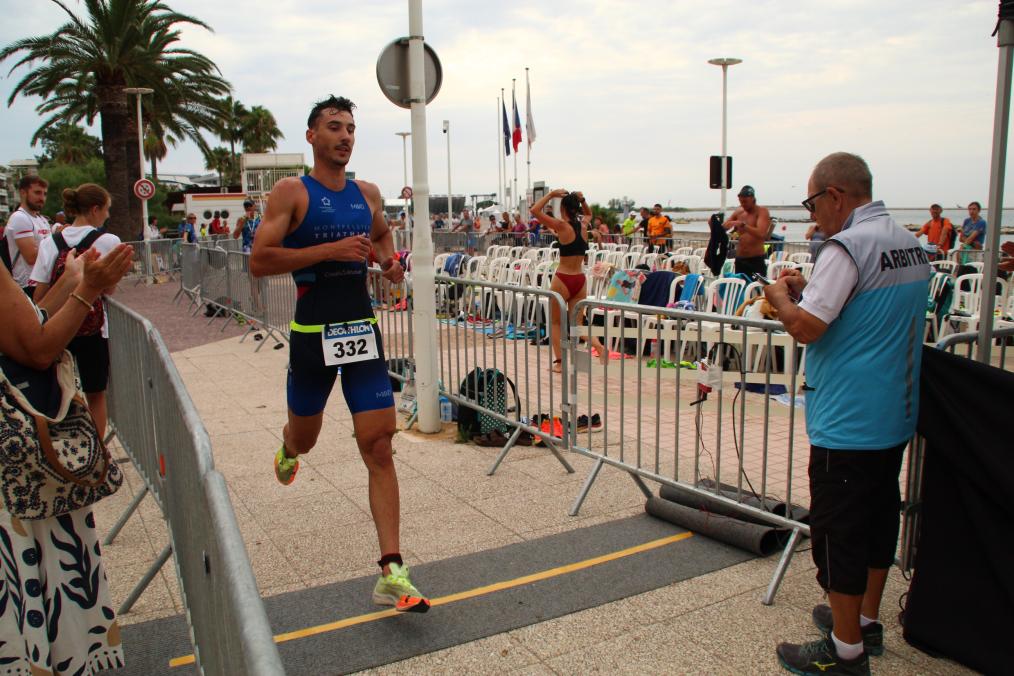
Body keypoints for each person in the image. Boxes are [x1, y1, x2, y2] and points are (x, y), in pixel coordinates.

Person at [249, 95, 429, 613]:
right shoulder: (291, 192)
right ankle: (288, 446)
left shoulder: (366, 194)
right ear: (312, 136)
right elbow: (260, 260)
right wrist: (329, 250)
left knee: (379, 446)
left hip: (361, 333)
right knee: (305, 438)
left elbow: (381, 236)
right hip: (312, 335)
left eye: (350, 128)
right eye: (333, 127)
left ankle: (392, 570)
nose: (345, 136)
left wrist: (390, 263)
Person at [765, 152, 929, 676]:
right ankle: (864, 621)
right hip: (895, 410)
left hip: (848, 417)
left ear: (835, 195)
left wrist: (778, 297)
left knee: (838, 534)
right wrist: (808, 293)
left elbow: (807, 327)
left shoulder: (846, 247)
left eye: (812, 204)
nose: (813, 217)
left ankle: (845, 650)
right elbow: (863, 311)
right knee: (879, 519)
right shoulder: (907, 242)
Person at [1, 235, 133, 675]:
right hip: (21, 477)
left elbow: (25, 322)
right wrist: (87, 290)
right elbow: (37, 349)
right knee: (33, 575)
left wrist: (71, 282)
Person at [30, 184, 124, 440]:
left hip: (57, 328)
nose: (107, 215)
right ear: (95, 209)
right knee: (96, 394)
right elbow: (109, 289)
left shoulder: (50, 242)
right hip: (92, 329)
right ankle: (97, 450)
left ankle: (61, 447)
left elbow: (39, 293)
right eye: (106, 210)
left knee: (59, 391)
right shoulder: (108, 241)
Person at [529, 189, 607, 372]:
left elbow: (534, 211)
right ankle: (599, 346)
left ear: (563, 208)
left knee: (556, 322)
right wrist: (583, 199)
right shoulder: (584, 225)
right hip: (580, 279)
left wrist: (551, 195)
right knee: (577, 324)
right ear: (576, 208)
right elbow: (588, 213)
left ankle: (560, 363)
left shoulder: (561, 226)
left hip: (563, 279)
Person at [4, 175, 52, 297]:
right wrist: (57, 243)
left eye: (45, 194)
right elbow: (31, 258)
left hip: (43, 283)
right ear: (23, 193)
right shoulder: (20, 218)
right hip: (27, 286)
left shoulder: (42, 220)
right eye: (37, 193)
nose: (42, 198)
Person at [724, 185, 772, 276]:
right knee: (740, 283)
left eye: (745, 202)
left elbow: (762, 234)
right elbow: (725, 226)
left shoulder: (762, 211)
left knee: (756, 284)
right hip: (740, 259)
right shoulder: (739, 212)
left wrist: (743, 225)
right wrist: (714, 223)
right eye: (741, 202)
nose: (743, 204)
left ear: (752, 199)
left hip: (756, 259)